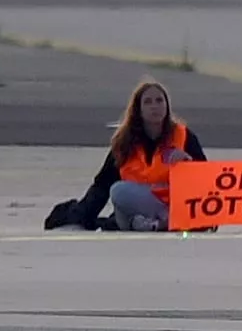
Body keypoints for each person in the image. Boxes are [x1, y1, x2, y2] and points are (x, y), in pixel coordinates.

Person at [81, 79, 208, 231]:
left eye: (159, 101)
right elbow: (102, 184)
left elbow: (206, 181)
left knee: (119, 192)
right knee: (119, 196)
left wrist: (188, 161)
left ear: (167, 106)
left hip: (173, 202)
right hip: (139, 202)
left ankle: (164, 220)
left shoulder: (183, 136)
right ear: (138, 109)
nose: (155, 106)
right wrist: (83, 216)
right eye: (148, 102)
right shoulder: (124, 143)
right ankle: (157, 223)